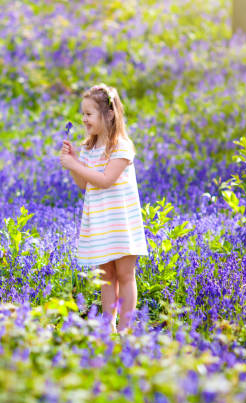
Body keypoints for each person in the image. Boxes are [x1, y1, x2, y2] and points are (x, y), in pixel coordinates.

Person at [59, 83, 148, 333]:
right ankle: (108, 325)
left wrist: (76, 166)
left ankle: (125, 327)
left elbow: (107, 180)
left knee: (125, 274)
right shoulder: (90, 147)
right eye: (82, 114)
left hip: (121, 221)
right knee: (106, 275)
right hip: (100, 222)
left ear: (108, 114)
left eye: (88, 114)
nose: (83, 119)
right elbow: (85, 184)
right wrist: (75, 161)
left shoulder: (121, 147)